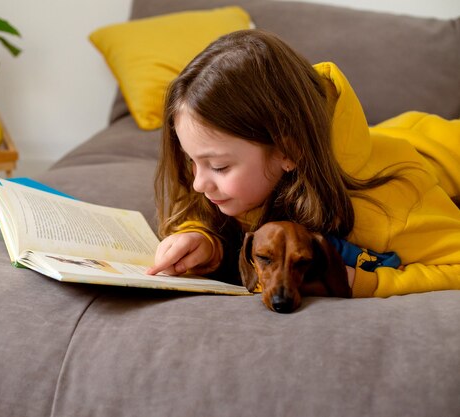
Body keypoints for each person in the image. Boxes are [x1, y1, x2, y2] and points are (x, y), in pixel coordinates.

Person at [146, 29, 460, 298]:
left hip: (442, 144)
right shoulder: (237, 173)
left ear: (289, 150)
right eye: (191, 161)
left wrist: (361, 281)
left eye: (219, 166)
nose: (199, 183)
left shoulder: (394, 204)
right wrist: (203, 238)